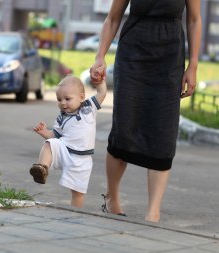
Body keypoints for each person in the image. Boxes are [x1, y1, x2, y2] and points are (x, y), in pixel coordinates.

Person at [90, 0, 201, 222]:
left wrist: (193, 65)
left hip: (169, 59)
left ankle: (153, 212)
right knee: (124, 127)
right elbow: (112, 18)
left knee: (164, 130)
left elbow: (194, 19)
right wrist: (99, 57)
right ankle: (112, 197)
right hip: (133, 56)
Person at [29, 75, 107, 208]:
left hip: (82, 159)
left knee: (77, 192)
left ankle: (76, 213)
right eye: (59, 99)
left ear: (81, 97)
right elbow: (54, 135)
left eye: (67, 99)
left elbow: (102, 92)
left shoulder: (89, 108)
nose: (63, 103)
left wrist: (100, 81)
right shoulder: (61, 118)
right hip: (65, 149)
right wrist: (45, 133)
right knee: (49, 144)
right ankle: (41, 168)